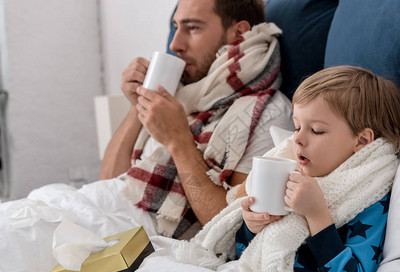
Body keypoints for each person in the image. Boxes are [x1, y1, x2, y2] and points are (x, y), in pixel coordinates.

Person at [173, 65, 400, 272]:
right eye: (297, 126)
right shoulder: (294, 173)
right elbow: (246, 257)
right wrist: (252, 228)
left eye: (316, 131)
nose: (297, 140)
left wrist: (317, 214)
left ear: (362, 141)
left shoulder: (369, 195)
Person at [99, 0, 294, 239]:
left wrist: (179, 141)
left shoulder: (267, 114)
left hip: (143, 241)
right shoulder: (178, 93)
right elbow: (107, 183)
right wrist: (137, 105)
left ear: (239, 32)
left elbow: (232, 229)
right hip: (106, 221)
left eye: (192, 28)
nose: (175, 44)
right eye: (175, 26)